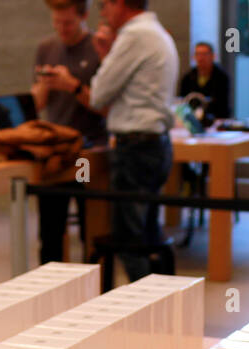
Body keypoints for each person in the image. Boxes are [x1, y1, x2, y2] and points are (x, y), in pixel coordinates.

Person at [72, 0, 177, 281]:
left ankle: (148, 315)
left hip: (136, 148)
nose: (102, 14)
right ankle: (161, 308)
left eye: (104, 5)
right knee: (147, 235)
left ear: (120, 4)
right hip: (157, 144)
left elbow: (98, 95)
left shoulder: (134, 35)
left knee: (129, 243)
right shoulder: (157, 32)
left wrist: (105, 56)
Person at [32, 0, 107, 263]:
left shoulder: (98, 49)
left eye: (68, 23)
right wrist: (45, 85)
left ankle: (94, 289)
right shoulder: (46, 48)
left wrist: (71, 85)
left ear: (84, 16)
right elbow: (38, 104)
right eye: (57, 23)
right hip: (56, 151)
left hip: (90, 150)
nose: (62, 29)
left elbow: (105, 106)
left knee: (92, 228)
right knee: (50, 231)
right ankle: (49, 290)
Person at [178, 42, 230, 122]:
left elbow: (222, 105)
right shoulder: (187, 77)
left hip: (217, 120)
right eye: (198, 54)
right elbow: (182, 102)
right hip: (193, 120)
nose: (201, 58)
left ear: (213, 56)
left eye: (204, 54)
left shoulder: (221, 77)